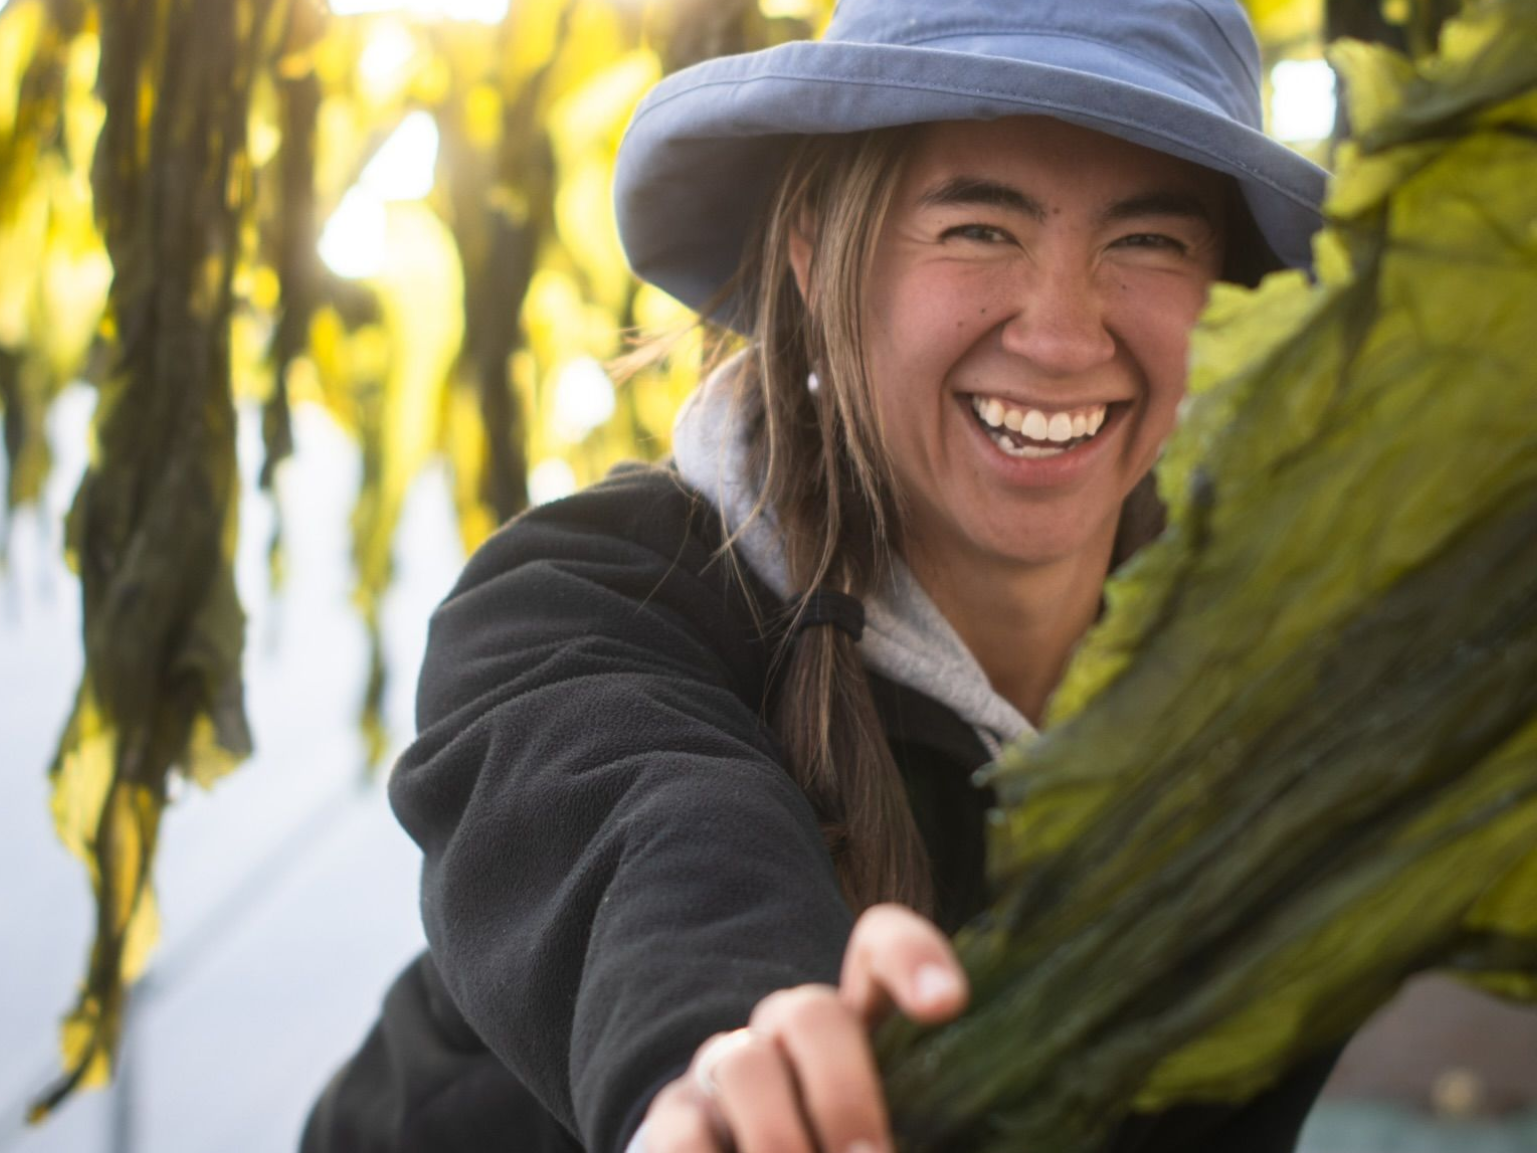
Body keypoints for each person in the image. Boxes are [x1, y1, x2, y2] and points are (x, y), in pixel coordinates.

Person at [302, 1, 1339, 1150]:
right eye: (977, 230)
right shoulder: (589, 598)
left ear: (1232, 293)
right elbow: (648, 830)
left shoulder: (1272, 710)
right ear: (813, 250)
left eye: (1149, 241)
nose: (1059, 335)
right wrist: (727, 1057)